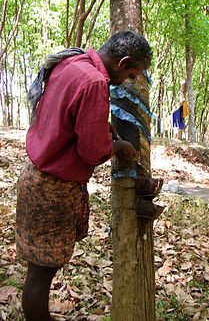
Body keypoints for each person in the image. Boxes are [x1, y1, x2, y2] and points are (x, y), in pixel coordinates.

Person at [16, 30, 153, 321]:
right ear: (123, 61)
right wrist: (116, 146)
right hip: (53, 188)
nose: (127, 81)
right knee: (42, 274)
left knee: (38, 269)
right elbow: (91, 151)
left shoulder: (72, 62)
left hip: (35, 177)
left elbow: (66, 117)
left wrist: (101, 126)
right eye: (130, 74)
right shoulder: (94, 82)